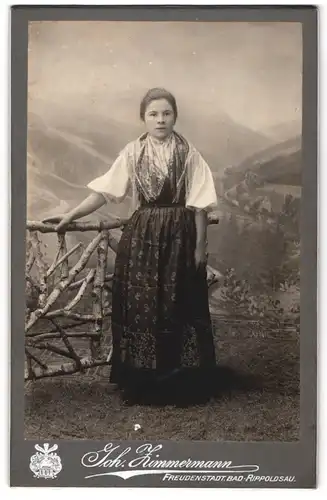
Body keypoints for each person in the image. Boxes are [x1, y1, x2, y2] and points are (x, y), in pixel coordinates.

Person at [44, 88, 218, 405]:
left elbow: (201, 206)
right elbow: (104, 192)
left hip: (180, 236)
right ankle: (142, 383)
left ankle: (181, 383)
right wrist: (71, 213)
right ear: (143, 118)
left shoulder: (189, 153)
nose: (161, 120)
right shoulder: (132, 153)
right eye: (153, 114)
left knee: (178, 304)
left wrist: (199, 248)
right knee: (142, 307)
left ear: (175, 116)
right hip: (142, 237)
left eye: (166, 113)